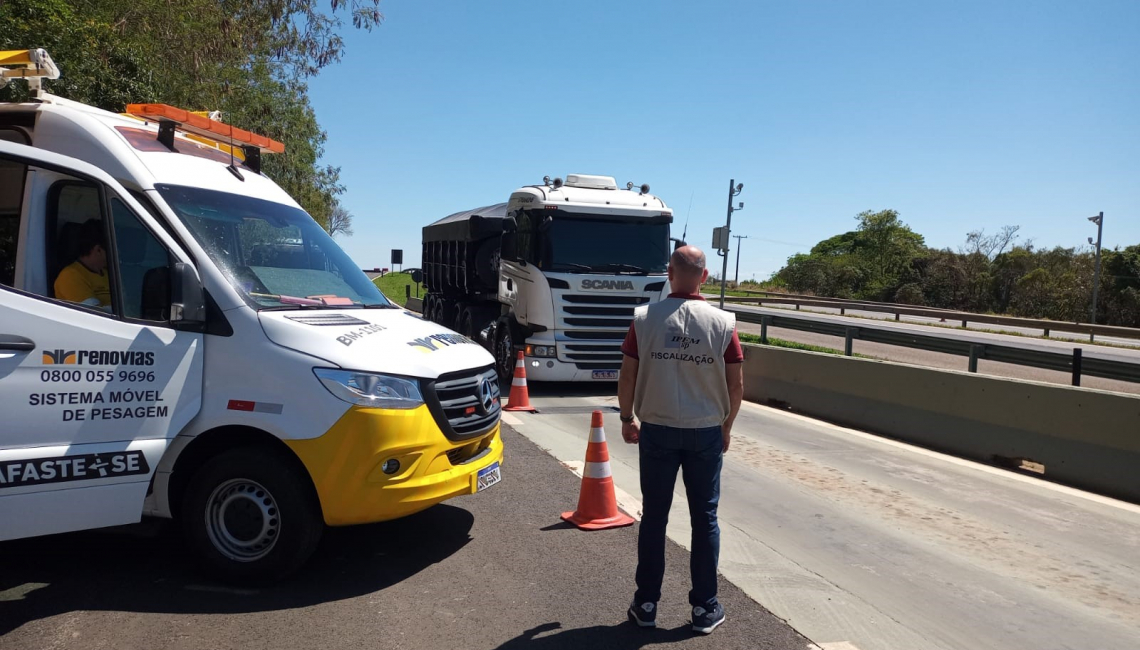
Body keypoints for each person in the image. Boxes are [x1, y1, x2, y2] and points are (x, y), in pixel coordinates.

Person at [618, 245, 744, 635]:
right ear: (704, 277)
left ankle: (647, 603)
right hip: (705, 429)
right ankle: (705, 607)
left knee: (655, 517)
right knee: (704, 518)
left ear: (669, 273)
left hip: (656, 428)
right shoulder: (723, 323)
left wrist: (627, 418)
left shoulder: (645, 319)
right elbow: (735, 382)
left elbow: (627, 376)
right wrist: (727, 426)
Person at [54, 219, 111, 310]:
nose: (117, 253)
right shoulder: (70, 276)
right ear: (98, 250)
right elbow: (94, 314)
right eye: (113, 249)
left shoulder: (109, 274)